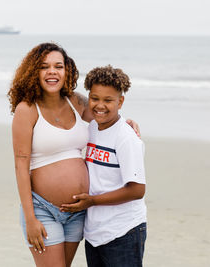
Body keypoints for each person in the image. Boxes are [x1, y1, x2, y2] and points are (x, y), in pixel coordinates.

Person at [8, 43, 140, 267]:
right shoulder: (27, 109)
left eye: (58, 66)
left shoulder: (76, 101)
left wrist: (127, 123)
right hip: (43, 209)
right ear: (34, 72)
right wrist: (30, 219)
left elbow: (105, 113)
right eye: (44, 66)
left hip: (78, 212)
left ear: (66, 71)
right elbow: (21, 166)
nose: (52, 71)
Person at [60, 65, 147, 267]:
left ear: (120, 101)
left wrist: (92, 201)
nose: (100, 105)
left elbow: (137, 190)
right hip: (94, 232)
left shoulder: (126, 138)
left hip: (123, 231)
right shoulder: (92, 128)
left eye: (108, 100)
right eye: (95, 98)